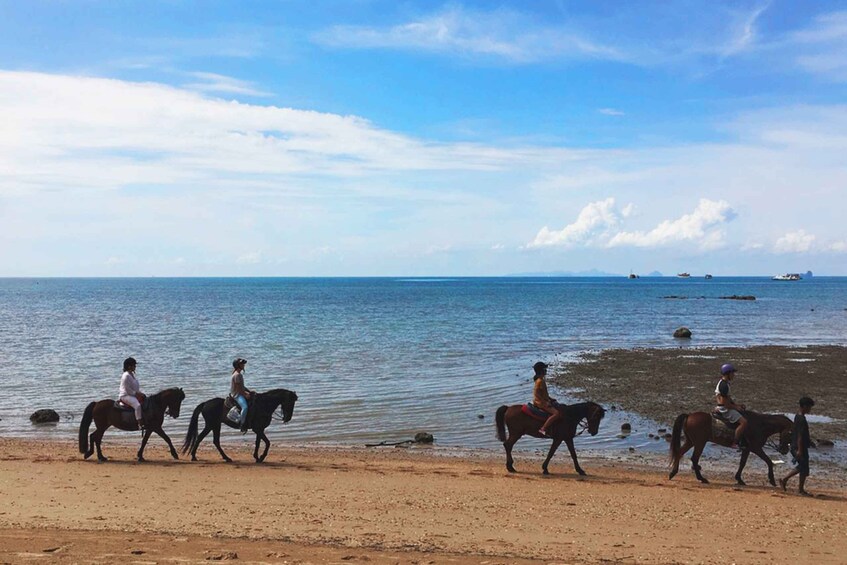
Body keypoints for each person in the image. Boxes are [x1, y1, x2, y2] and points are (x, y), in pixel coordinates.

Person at [781, 397, 815, 496]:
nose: (810, 409)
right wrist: (799, 450)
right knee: (802, 467)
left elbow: (801, 434)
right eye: (809, 407)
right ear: (804, 406)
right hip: (798, 446)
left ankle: (801, 489)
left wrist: (809, 442)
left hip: (800, 445)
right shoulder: (801, 419)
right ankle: (785, 479)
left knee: (804, 468)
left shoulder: (798, 417)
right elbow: (800, 436)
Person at [714, 363, 747, 448]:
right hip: (724, 409)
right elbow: (726, 404)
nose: (734, 375)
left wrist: (737, 405)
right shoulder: (724, 386)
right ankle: (735, 443)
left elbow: (727, 399)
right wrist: (737, 407)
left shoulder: (723, 382)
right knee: (744, 422)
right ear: (728, 374)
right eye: (732, 373)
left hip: (722, 406)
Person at [532, 361, 561, 437]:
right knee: (556, 413)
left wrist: (551, 399)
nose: (546, 370)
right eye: (545, 369)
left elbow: (544, 394)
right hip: (540, 402)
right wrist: (546, 402)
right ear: (541, 370)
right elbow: (539, 395)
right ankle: (543, 429)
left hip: (541, 401)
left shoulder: (539, 380)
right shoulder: (540, 381)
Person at [118, 357, 146, 430]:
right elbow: (127, 390)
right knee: (137, 405)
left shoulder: (132, 375)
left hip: (132, 394)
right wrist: (137, 394)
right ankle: (140, 423)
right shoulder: (126, 376)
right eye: (134, 365)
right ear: (129, 366)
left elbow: (135, 388)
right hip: (125, 395)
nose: (135, 367)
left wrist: (141, 393)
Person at [230, 358, 254, 433]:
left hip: (240, 392)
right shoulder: (237, 375)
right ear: (238, 365)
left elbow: (242, 387)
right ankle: (242, 424)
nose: (243, 365)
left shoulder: (239, 374)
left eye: (243, 364)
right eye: (242, 364)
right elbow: (239, 389)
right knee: (245, 407)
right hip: (237, 395)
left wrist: (249, 392)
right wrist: (245, 394)